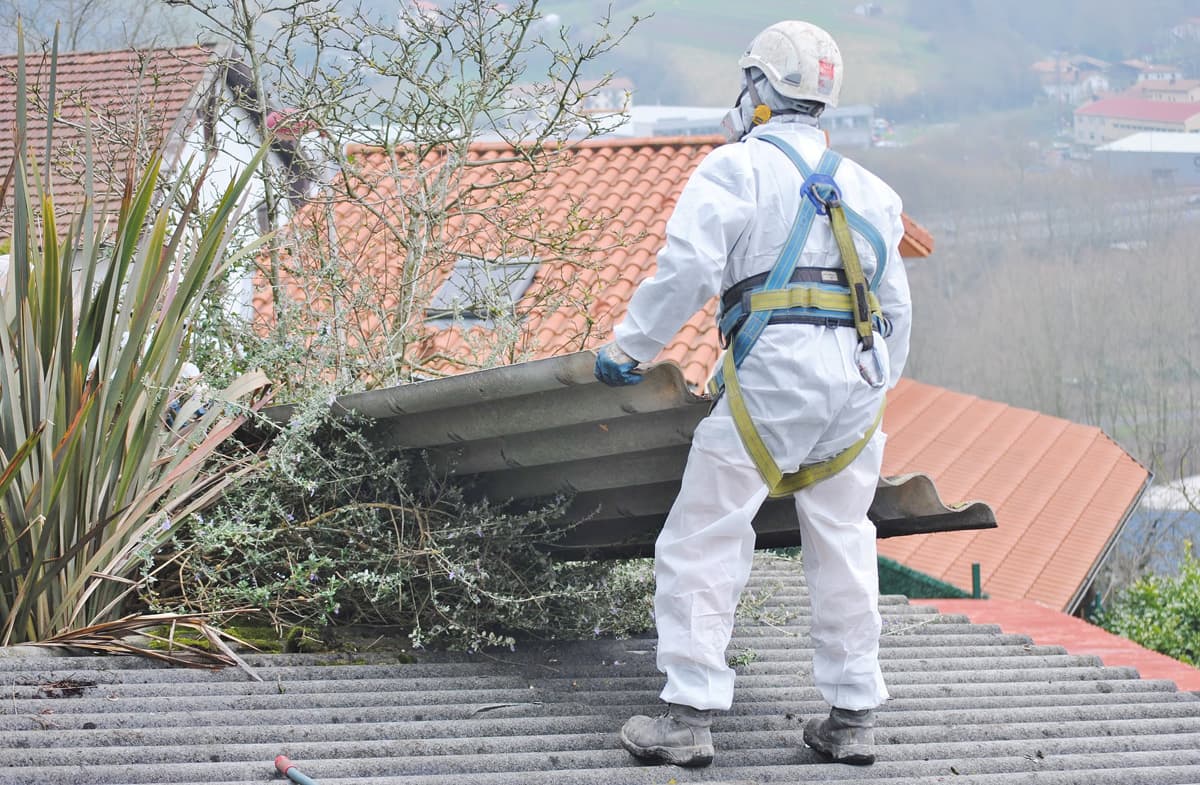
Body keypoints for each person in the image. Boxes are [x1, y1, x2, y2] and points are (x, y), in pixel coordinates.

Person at [593, 20, 912, 768]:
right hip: (857, 387)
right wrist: (876, 384)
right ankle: (853, 713)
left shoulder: (733, 169)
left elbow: (687, 269)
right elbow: (896, 310)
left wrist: (630, 347)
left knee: (706, 530)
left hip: (778, 374)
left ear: (760, 89)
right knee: (842, 538)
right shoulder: (872, 189)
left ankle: (689, 712)